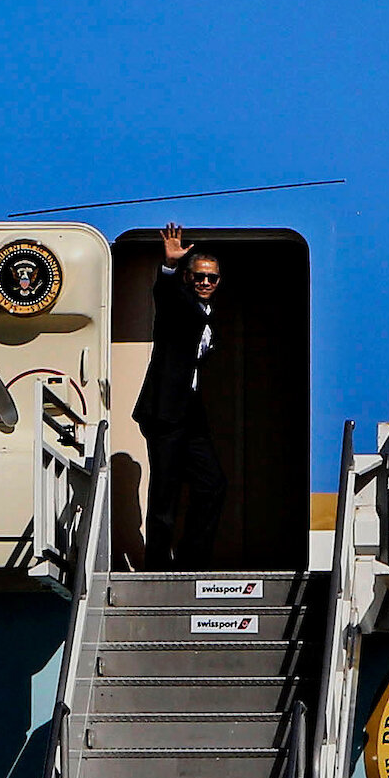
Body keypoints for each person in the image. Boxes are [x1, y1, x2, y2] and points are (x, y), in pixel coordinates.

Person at [135, 223, 226, 569]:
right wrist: (171, 265)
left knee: (213, 483)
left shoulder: (209, 314)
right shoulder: (178, 300)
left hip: (191, 413)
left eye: (212, 278)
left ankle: (192, 558)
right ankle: (157, 564)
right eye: (200, 276)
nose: (205, 282)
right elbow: (164, 293)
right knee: (165, 491)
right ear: (189, 278)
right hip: (164, 412)